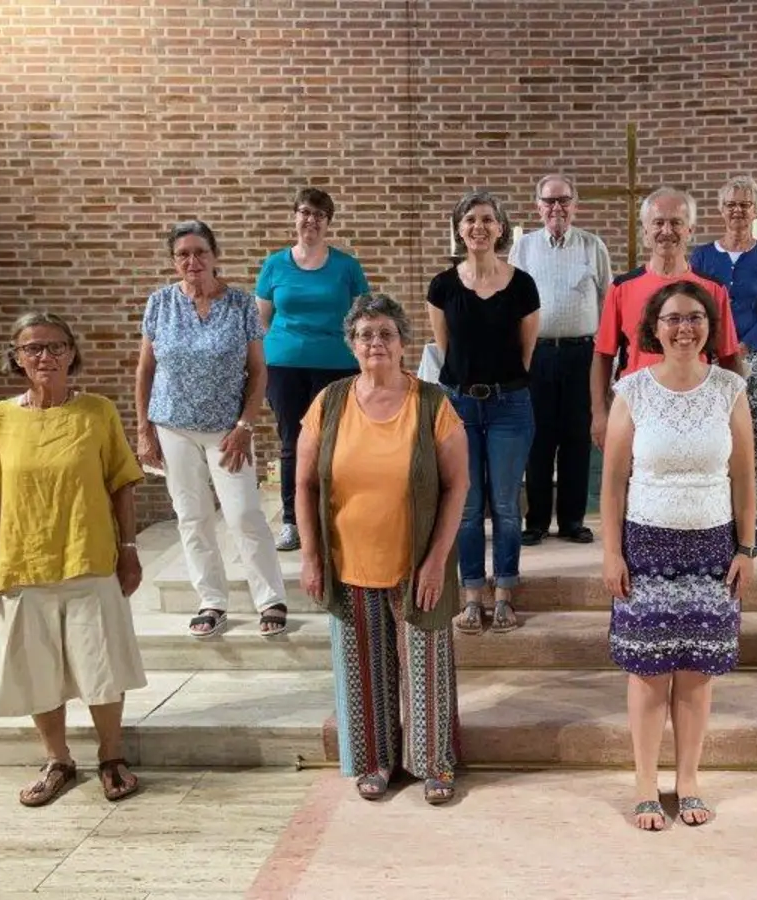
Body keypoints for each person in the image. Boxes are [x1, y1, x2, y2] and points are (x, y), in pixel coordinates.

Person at [0, 312, 149, 806]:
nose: (45, 356)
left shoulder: (97, 412)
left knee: (100, 665)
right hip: (24, 563)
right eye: (33, 349)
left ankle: (112, 757)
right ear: (17, 358)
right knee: (37, 668)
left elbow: (122, 483)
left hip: (90, 556)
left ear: (71, 353)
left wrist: (129, 550)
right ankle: (58, 760)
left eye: (55, 347)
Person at [296, 293, 469, 805]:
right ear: (352, 344)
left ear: (402, 344)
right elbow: (304, 484)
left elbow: (457, 484)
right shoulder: (329, 402)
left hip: (417, 563)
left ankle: (434, 764)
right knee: (364, 671)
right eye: (366, 334)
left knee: (426, 669)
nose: (376, 343)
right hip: (349, 563)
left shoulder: (432, 402)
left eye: (386, 334)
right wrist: (310, 556)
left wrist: (437, 558)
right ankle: (375, 761)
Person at [602, 280, 755, 831]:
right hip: (647, 546)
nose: (684, 328)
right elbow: (614, 481)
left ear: (709, 328)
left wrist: (745, 547)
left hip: (713, 548)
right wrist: (611, 553)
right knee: (648, 672)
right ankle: (646, 785)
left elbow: (744, 477)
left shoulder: (729, 389)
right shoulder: (632, 390)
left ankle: (687, 780)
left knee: (695, 672)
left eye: (695, 318)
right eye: (673, 319)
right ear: (654, 329)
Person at [136, 220, 291, 638]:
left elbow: (258, 370)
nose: (192, 261)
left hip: (228, 429)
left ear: (214, 255)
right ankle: (211, 600)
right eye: (182, 254)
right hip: (173, 425)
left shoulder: (240, 304)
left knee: (244, 513)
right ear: (174, 261)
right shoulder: (160, 303)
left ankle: (270, 598)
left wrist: (245, 424)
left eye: (200, 252)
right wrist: (144, 428)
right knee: (192, 517)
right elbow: (146, 370)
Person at [427, 190, 541, 635]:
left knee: (508, 505)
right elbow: (445, 350)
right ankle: (472, 594)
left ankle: (506, 593)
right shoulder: (443, 286)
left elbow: (525, 350)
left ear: (500, 228)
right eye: (470, 219)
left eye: (487, 220)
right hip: (459, 405)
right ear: (459, 229)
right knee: (468, 505)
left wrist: (501, 385)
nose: (479, 226)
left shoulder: (522, 284)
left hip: (510, 405)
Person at [256, 188, 371, 551]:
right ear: (295, 216)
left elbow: (362, 317)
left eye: (319, 215)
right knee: (292, 443)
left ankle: (337, 517)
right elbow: (261, 322)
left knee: (336, 444)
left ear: (328, 223)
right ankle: (292, 521)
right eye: (305, 212)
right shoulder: (274, 265)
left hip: (336, 365)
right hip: (284, 366)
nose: (311, 220)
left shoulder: (346, 266)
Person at [591, 187, 740, 453]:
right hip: (637, 408)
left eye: (676, 223)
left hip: (697, 405)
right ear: (646, 231)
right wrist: (600, 415)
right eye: (658, 223)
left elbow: (729, 358)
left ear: (690, 230)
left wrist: (734, 416)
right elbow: (603, 355)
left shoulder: (713, 290)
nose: (667, 231)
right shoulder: (622, 288)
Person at [511, 174, 613, 546]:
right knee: (537, 438)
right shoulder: (523, 248)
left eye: (564, 200)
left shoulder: (592, 246)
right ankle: (536, 519)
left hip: (582, 354)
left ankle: (572, 520)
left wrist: (606, 355)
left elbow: (609, 301)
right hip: (537, 354)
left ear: (575, 204)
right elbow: (513, 303)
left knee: (576, 439)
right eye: (549, 201)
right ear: (538, 206)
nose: (557, 208)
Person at [690, 175, 757, 551]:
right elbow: (694, 303)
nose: (738, 210)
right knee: (709, 437)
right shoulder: (702, 256)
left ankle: (755, 521)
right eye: (731, 203)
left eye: (745, 204)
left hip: (755, 361)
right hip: (709, 362)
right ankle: (712, 516)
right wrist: (713, 347)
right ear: (720, 209)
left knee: (754, 438)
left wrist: (741, 346)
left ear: (756, 210)